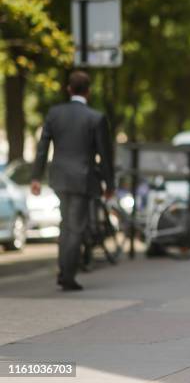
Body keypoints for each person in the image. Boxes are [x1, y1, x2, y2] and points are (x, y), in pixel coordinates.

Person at [30, 70, 115, 291]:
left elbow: (42, 147)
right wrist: (109, 184)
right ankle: (67, 275)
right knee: (75, 227)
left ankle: (63, 270)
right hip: (82, 178)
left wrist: (36, 177)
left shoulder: (54, 114)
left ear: (69, 89)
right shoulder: (95, 117)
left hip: (58, 177)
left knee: (66, 224)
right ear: (88, 91)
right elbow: (105, 156)